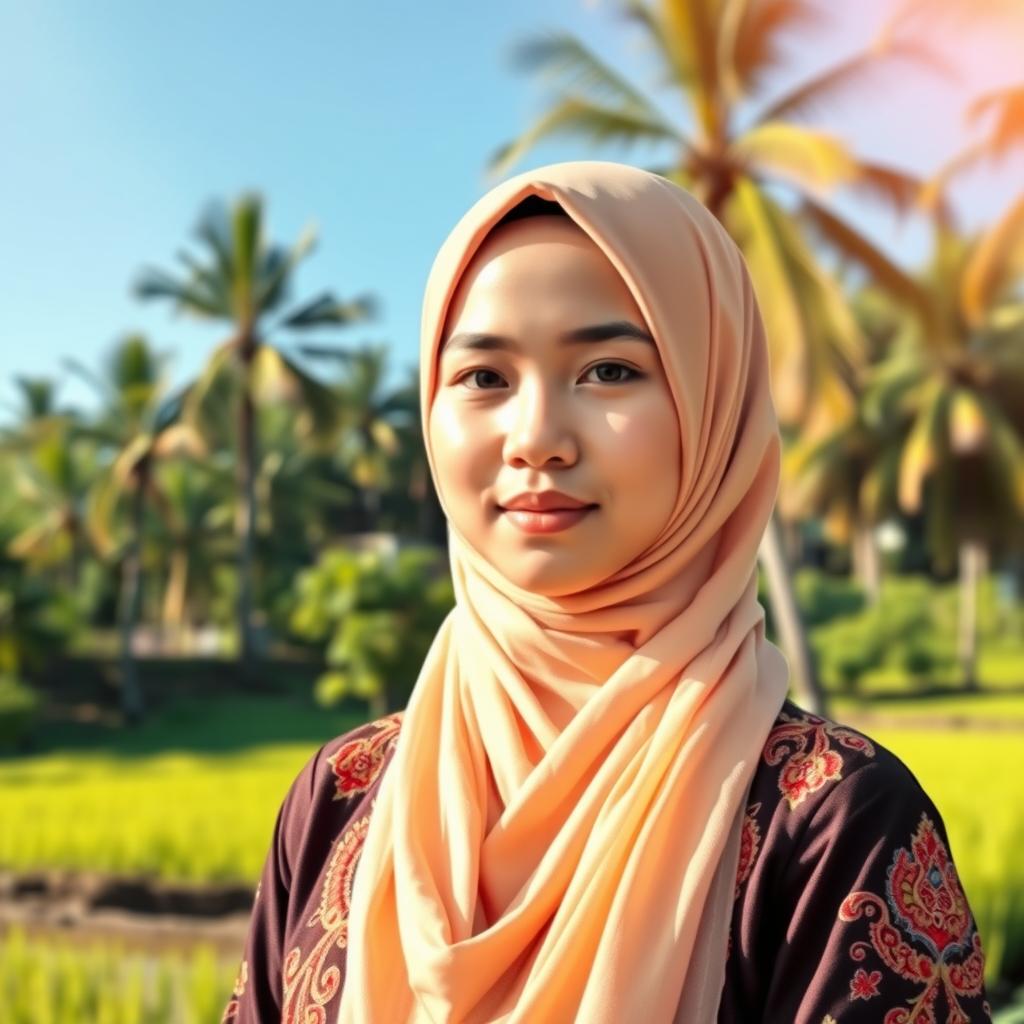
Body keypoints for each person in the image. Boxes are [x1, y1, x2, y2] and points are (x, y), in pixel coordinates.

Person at [221, 161, 991, 1023]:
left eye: (609, 371)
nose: (537, 439)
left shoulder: (830, 825)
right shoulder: (339, 800)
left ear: (714, 405)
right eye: (484, 378)